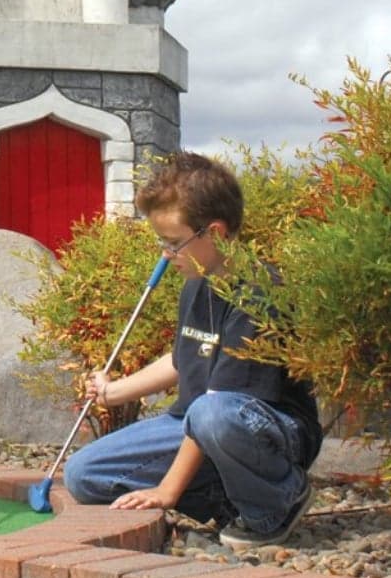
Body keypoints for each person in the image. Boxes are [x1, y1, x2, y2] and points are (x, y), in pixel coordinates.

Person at [62, 152, 322, 548]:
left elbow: (221, 403)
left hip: (264, 428)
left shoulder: (259, 294)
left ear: (214, 232)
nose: (165, 255)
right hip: (199, 422)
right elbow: (185, 361)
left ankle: (276, 502)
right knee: (84, 474)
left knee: (211, 414)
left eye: (172, 242)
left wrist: (167, 491)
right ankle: (227, 497)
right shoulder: (197, 282)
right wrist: (114, 392)